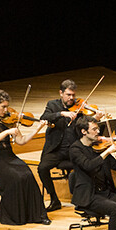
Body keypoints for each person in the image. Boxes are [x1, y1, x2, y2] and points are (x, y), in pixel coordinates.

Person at [0, 90, 50, 226]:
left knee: (28, 174)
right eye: (3, 107)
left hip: (9, 156)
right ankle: (12, 215)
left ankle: (36, 215)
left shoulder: (8, 121)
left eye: (7, 106)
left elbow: (21, 141)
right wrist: (7, 131)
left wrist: (37, 129)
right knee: (16, 177)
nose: (6, 110)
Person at [37, 79, 79, 212]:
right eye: (68, 95)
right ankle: (54, 199)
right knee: (42, 168)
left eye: (73, 95)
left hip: (73, 150)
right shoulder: (52, 105)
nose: (71, 98)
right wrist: (61, 114)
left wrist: (95, 118)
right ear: (61, 93)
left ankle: (82, 200)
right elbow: (44, 117)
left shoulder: (79, 107)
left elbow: (86, 124)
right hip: (56, 149)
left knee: (87, 165)